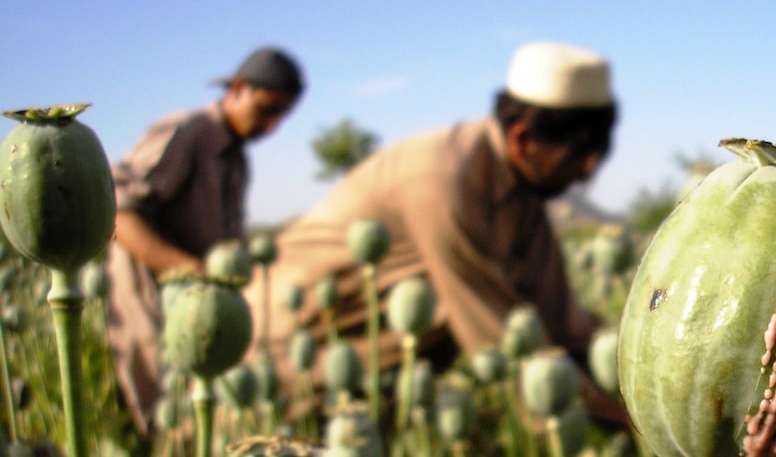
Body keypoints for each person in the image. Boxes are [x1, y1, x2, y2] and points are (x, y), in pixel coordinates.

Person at [242, 41, 626, 426]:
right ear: (524, 140)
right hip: (279, 363)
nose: (587, 173)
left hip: (367, 384)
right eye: (580, 154)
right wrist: (637, 430)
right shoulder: (442, 181)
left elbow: (562, 322)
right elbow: (505, 344)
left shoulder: (524, 193)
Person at [106, 47, 304, 433]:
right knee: (168, 424)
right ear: (238, 89)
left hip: (199, 309)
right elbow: (118, 212)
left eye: (281, 116)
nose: (271, 127)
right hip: (153, 304)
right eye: (267, 110)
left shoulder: (237, 160)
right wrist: (193, 273)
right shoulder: (190, 131)